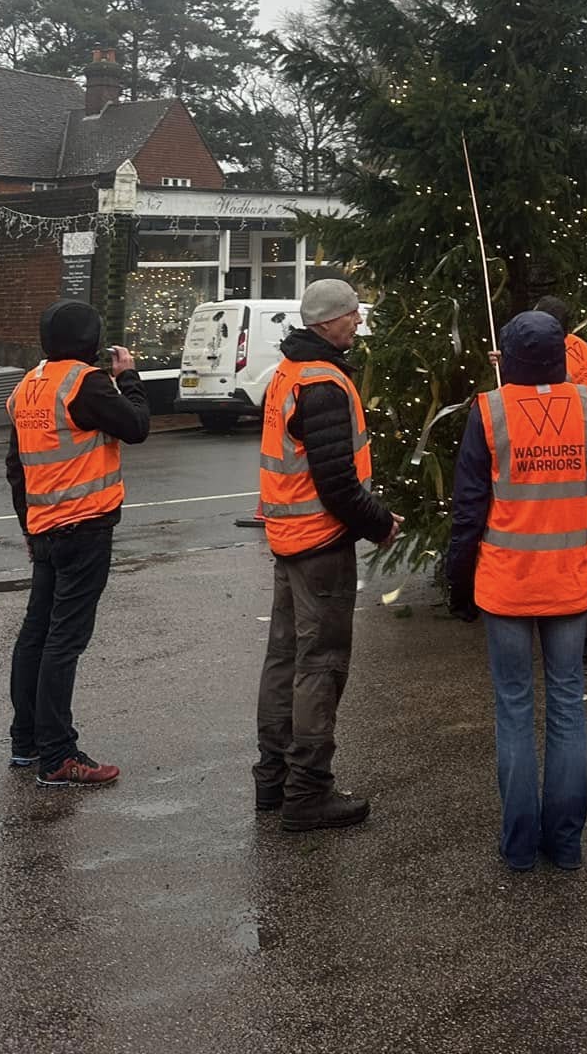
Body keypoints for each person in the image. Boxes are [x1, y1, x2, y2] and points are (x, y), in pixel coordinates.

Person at [446, 310, 587, 872]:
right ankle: (566, 843)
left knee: (515, 711)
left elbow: (469, 508)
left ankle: (519, 845)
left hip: (506, 584)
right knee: (568, 708)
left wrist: (458, 576)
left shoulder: (490, 412)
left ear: (510, 357)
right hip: (569, 582)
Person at [253, 278, 399, 831]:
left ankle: (272, 778)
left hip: (288, 538)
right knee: (321, 665)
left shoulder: (290, 372)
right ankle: (308, 791)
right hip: (320, 542)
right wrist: (380, 524)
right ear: (327, 322)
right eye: (352, 315)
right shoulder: (323, 382)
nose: (358, 322)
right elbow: (336, 480)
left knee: (284, 659)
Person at [5, 300, 150, 788]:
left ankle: (25, 743)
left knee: (36, 636)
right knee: (64, 641)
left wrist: (29, 526)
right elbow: (136, 427)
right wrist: (127, 378)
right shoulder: (86, 383)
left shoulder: (28, 386)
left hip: (46, 528)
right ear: (91, 340)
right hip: (85, 529)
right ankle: (58, 755)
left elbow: (15, 466)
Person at [532, 294, 587, 674]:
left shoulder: (566, 353)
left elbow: (553, 394)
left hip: (567, 460)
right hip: (581, 459)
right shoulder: (578, 348)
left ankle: (585, 648)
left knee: (575, 560)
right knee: (582, 558)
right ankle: (585, 648)